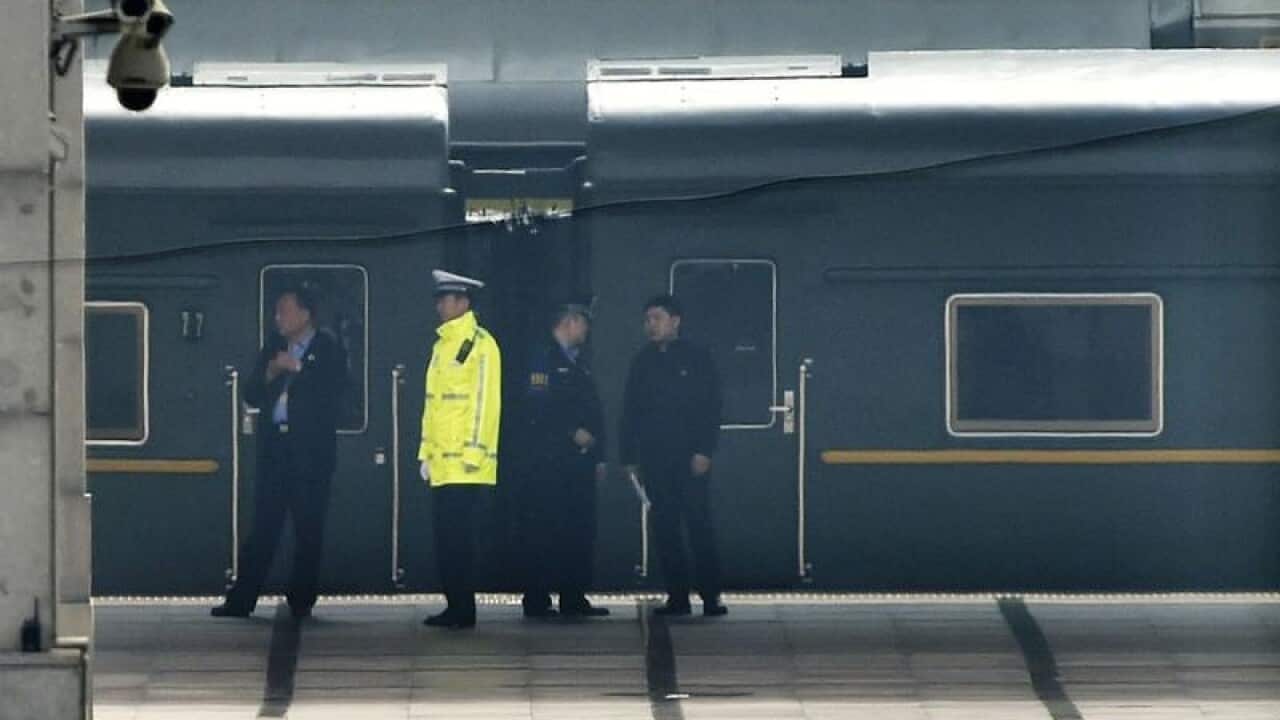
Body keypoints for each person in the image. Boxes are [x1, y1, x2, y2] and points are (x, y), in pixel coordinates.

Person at [213, 285, 347, 620]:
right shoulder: (273, 347)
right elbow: (252, 394)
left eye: (284, 311)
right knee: (263, 527)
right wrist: (272, 371)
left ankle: (301, 601)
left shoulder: (327, 346)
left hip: (310, 455)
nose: (278, 318)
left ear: (305, 314)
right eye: (277, 312)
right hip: (276, 452)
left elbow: (337, 389)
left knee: (308, 528)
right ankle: (241, 599)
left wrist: (299, 368)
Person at [621, 294, 727, 617]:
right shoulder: (642, 362)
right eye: (648, 319)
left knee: (698, 525)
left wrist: (704, 450)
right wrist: (629, 458)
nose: (650, 325)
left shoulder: (698, 358)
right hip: (655, 459)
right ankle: (677, 597)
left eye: (657, 318)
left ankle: (711, 597)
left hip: (690, 459)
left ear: (675, 320)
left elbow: (711, 406)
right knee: (665, 528)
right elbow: (630, 412)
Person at [516, 296, 610, 619]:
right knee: (544, 530)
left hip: (577, 465)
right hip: (549, 463)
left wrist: (597, 455)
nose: (586, 330)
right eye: (583, 323)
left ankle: (573, 597)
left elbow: (592, 408)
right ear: (569, 322)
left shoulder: (578, 361)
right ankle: (537, 599)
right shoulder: (542, 358)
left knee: (577, 529)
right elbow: (536, 408)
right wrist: (571, 431)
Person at [419, 270, 502, 629]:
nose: (439, 305)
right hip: (442, 465)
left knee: (460, 541)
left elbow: (486, 403)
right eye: (439, 299)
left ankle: (463, 609)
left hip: (467, 465)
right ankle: (454, 604)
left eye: (446, 298)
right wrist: (424, 453)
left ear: (463, 302)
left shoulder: (481, 344)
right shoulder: (441, 346)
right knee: (445, 540)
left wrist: (474, 452)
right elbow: (433, 406)